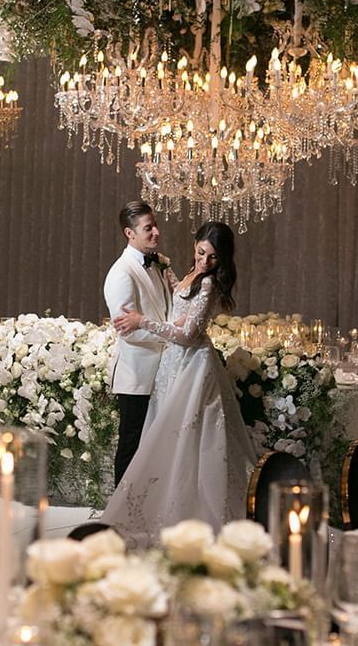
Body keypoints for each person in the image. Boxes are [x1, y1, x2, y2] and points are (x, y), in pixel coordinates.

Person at [100, 221, 256, 546]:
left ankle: (193, 514)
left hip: (194, 366)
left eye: (213, 258)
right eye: (201, 253)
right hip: (173, 364)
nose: (204, 262)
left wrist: (143, 320)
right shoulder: (191, 273)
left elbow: (187, 336)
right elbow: (180, 303)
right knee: (167, 435)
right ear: (195, 244)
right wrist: (168, 271)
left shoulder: (211, 284)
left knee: (191, 440)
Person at [103, 201, 171, 486]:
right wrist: (171, 337)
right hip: (138, 375)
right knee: (131, 446)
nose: (155, 232)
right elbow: (128, 330)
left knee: (156, 447)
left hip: (163, 370)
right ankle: (121, 511)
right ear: (129, 234)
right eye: (148, 228)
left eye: (155, 225)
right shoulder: (121, 272)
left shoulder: (160, 262)